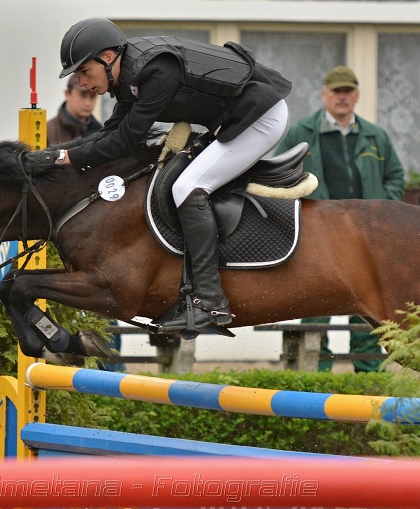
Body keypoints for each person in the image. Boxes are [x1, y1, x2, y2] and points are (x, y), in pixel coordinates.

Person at [24, 18, 316, 333]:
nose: (82, 83)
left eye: (84, 72)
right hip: (235, 120)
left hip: (261, 118)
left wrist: (65, 157)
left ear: (107, 58)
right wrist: (60, 157)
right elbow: (112, 131)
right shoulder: (128, 77)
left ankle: (209, 301)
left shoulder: (155, 71)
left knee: (188, 188)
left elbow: (126, 140)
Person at [274, 65, 405, 372]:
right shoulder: (301, 133)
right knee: (316, 304)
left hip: (367, 238)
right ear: (324, 95)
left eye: (348, 92)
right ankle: (318, 374)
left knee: (369, 306)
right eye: (336, 92)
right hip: (319, 238)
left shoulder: (376, 136)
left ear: (356, 96)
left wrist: (383, 211)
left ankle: (367, 374)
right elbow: (279, 174)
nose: (342, 97)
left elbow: (396, 177)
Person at [47, 74, 103, 145]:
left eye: (92, 96)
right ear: (67, 94)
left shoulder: (100, 132)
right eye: (82, 95)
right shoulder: (48, 132)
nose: (88, 103)